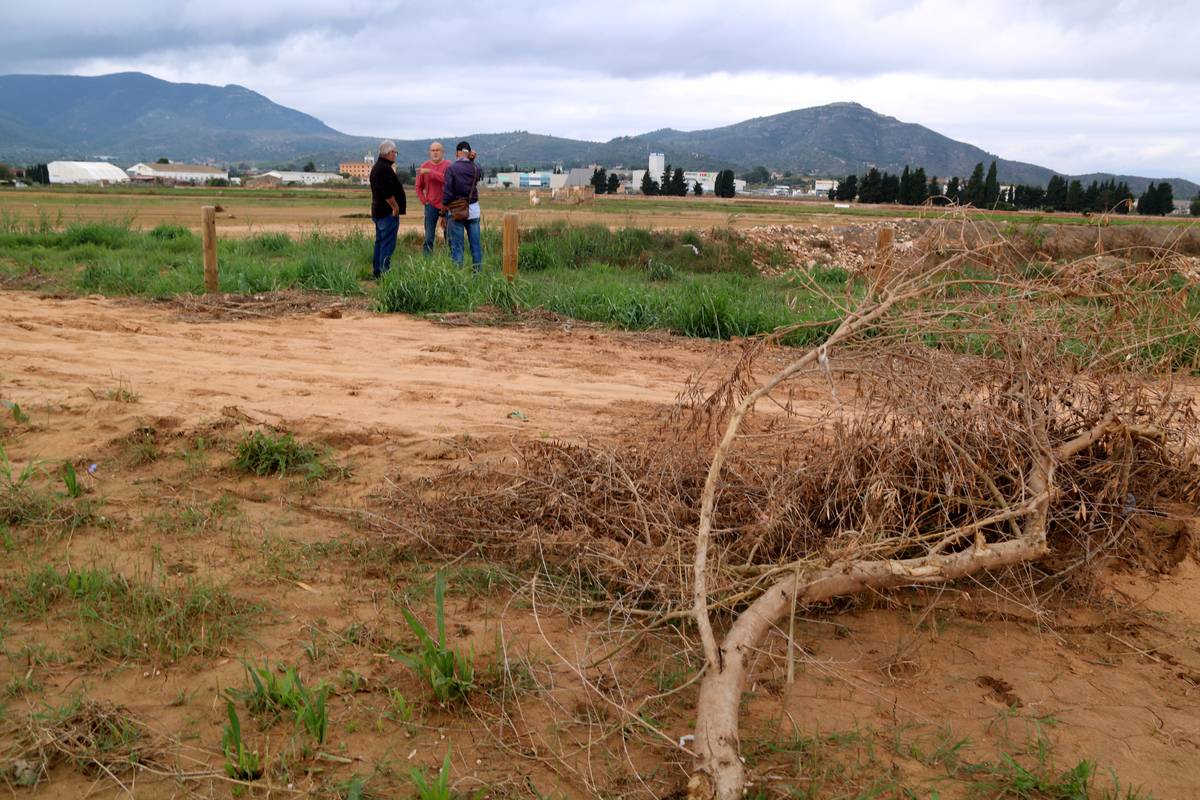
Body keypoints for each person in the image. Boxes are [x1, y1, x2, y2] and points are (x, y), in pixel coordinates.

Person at [442, 140, 482, 272]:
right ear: (469, 153)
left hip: (457, 211)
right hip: (474, 210)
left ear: (456, 153)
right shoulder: (476, 168)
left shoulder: (451, 168)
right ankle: (478, 274)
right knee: (475, 245)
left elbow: (447, 193)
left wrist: (443, 210)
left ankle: (458, 276)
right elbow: (478, 175)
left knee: (457, 247)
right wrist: (472, 160)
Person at [369, 139, 406, 278]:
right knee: (387, 244)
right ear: (389, 153)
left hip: (378, 211)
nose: (395, 155)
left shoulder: (378, 167)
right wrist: (395, 207)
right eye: (395, 152)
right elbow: (386, 192)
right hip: (387, 213)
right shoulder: (384, 169)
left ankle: (377, 271)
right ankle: (384, 272)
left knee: (380, 242)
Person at [415, 141, 450, 256]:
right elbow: (418, 186)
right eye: (433, 150)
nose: (435, 152)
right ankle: (427, 262)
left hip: (447, 205)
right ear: (429, 152)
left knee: (449, 236)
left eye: (437, 150)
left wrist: (430, 172)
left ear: (442, 152)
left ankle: (451, 262)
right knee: (429, 237)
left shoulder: (448, 165)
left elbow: (447, 180)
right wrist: (424, 202)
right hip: (431, 206)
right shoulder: (424, 166)